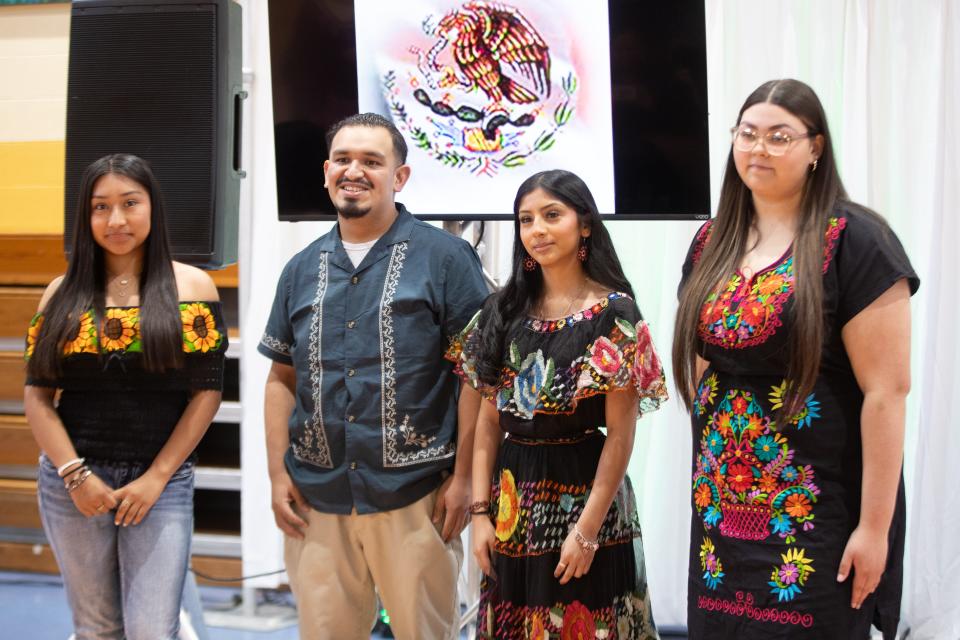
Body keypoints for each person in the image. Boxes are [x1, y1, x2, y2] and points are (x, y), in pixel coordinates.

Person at [674, 79, 919, 639]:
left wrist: (874, 529)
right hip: (721, 511)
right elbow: (701, 365)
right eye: (748, 134)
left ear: (816, 148)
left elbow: (888, 393)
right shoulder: (711, 242)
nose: (758, 149)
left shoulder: (857, 240)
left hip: (816, 512)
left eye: (779, 137)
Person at [258, 112, 489, 639]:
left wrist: (464, 479)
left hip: (416, 497)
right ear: (325, 172)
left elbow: (477, 376)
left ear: (399, 177)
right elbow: (280, 379)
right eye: (343, 159)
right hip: (318, 497)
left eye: (371, 161)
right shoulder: (300, 268)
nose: (354, 171)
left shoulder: (446, 259)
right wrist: (277, 475)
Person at [447, 169, 667, 639]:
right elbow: (488, 423)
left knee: (588, 622)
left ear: (584, 224)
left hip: (586, 494)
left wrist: (587, 530)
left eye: (552, 215)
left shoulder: (615, 313)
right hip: (512, 494)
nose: (537, 230)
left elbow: (621, 437)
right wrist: (481, 515)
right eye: (526, 220)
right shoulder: (501, 310)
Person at [23, 153, 226, 639]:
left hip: (161, 483)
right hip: (73, 482)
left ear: (153, 207)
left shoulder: (193, 287)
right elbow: (37, 398)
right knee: (96, 628)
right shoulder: (59, 294)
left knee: (153, 630)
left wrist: (157, 478)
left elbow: (206, 395)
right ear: (85, 215)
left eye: (129, 203)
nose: (115, 220)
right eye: (100, 207)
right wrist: (75, 475)